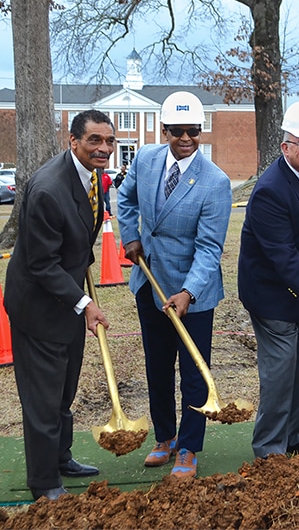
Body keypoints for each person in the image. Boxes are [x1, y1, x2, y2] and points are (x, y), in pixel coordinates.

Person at [118, 91, 232, 479]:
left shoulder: (214, 182)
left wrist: (188, 292)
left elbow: (209, 245)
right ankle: (165, 437)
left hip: (191, 294)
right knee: (158, 366)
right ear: (164, 129)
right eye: (178, 131)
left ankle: (188, 447)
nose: (186, 138)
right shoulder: (146, 161)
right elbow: (126, 198)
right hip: (149, 284)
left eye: (194, 131)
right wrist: (130, 235)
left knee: (194, 373)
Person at [4, 110, 113, 501]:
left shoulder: (93, 179)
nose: (103, 148)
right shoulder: (49, 187)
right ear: (73, 141)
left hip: (66, 299)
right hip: (38, 307)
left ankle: (61, 457)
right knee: (44, 399)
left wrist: (80, 287)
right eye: (94, 141)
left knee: (64, 390)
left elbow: (80, 238)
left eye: (108, 141)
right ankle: (45, 482)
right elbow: (40, 263)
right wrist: (85, 304)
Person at [238, 100, 299, 458]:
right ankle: (269, 448)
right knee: (280, 372)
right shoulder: (269, 190)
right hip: (272, 294)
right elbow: (282, 256)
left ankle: (294, 437)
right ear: (286, 147)